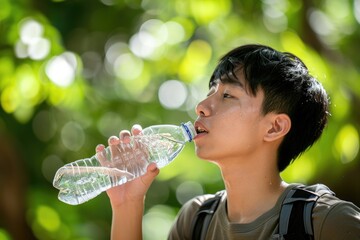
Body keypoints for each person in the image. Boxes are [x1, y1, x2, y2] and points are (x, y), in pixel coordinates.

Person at [97, 44, 360, 239]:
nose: (201, 106)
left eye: (227, 95)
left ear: (275, 127)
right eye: (210, 91)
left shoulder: (326, 222)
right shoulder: (196, 221)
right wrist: (127, 204)